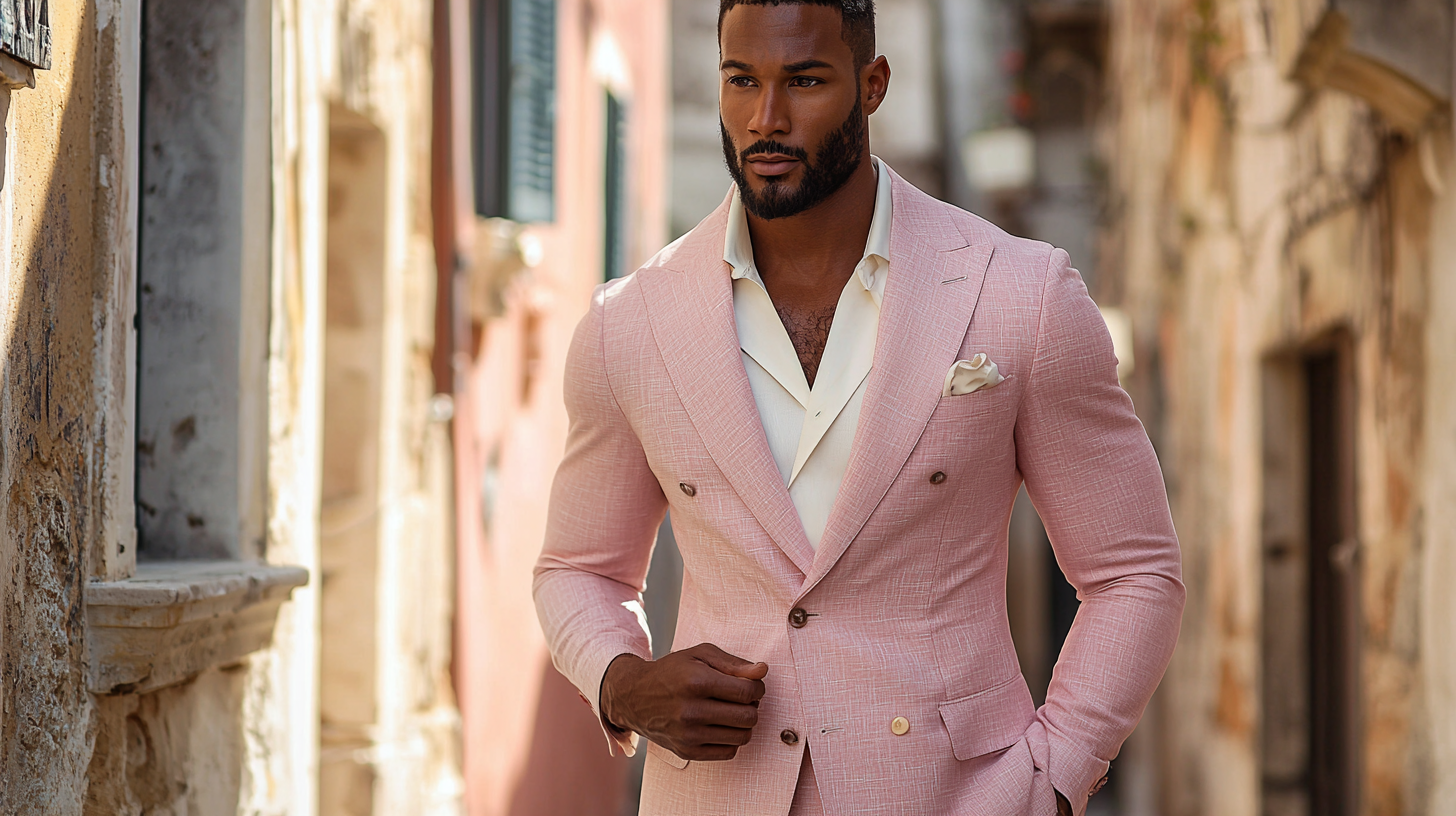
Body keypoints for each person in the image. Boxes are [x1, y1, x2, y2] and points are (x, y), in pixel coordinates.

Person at [533, 1, 1184, 813]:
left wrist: (1052, 779)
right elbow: (577, 569)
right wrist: (621, 681)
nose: (765, 119)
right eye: (742, 81)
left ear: (871, 84)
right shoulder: (628, 323)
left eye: (804, 81)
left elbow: (1134, 572)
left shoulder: (1022, 295)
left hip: (956, 796)